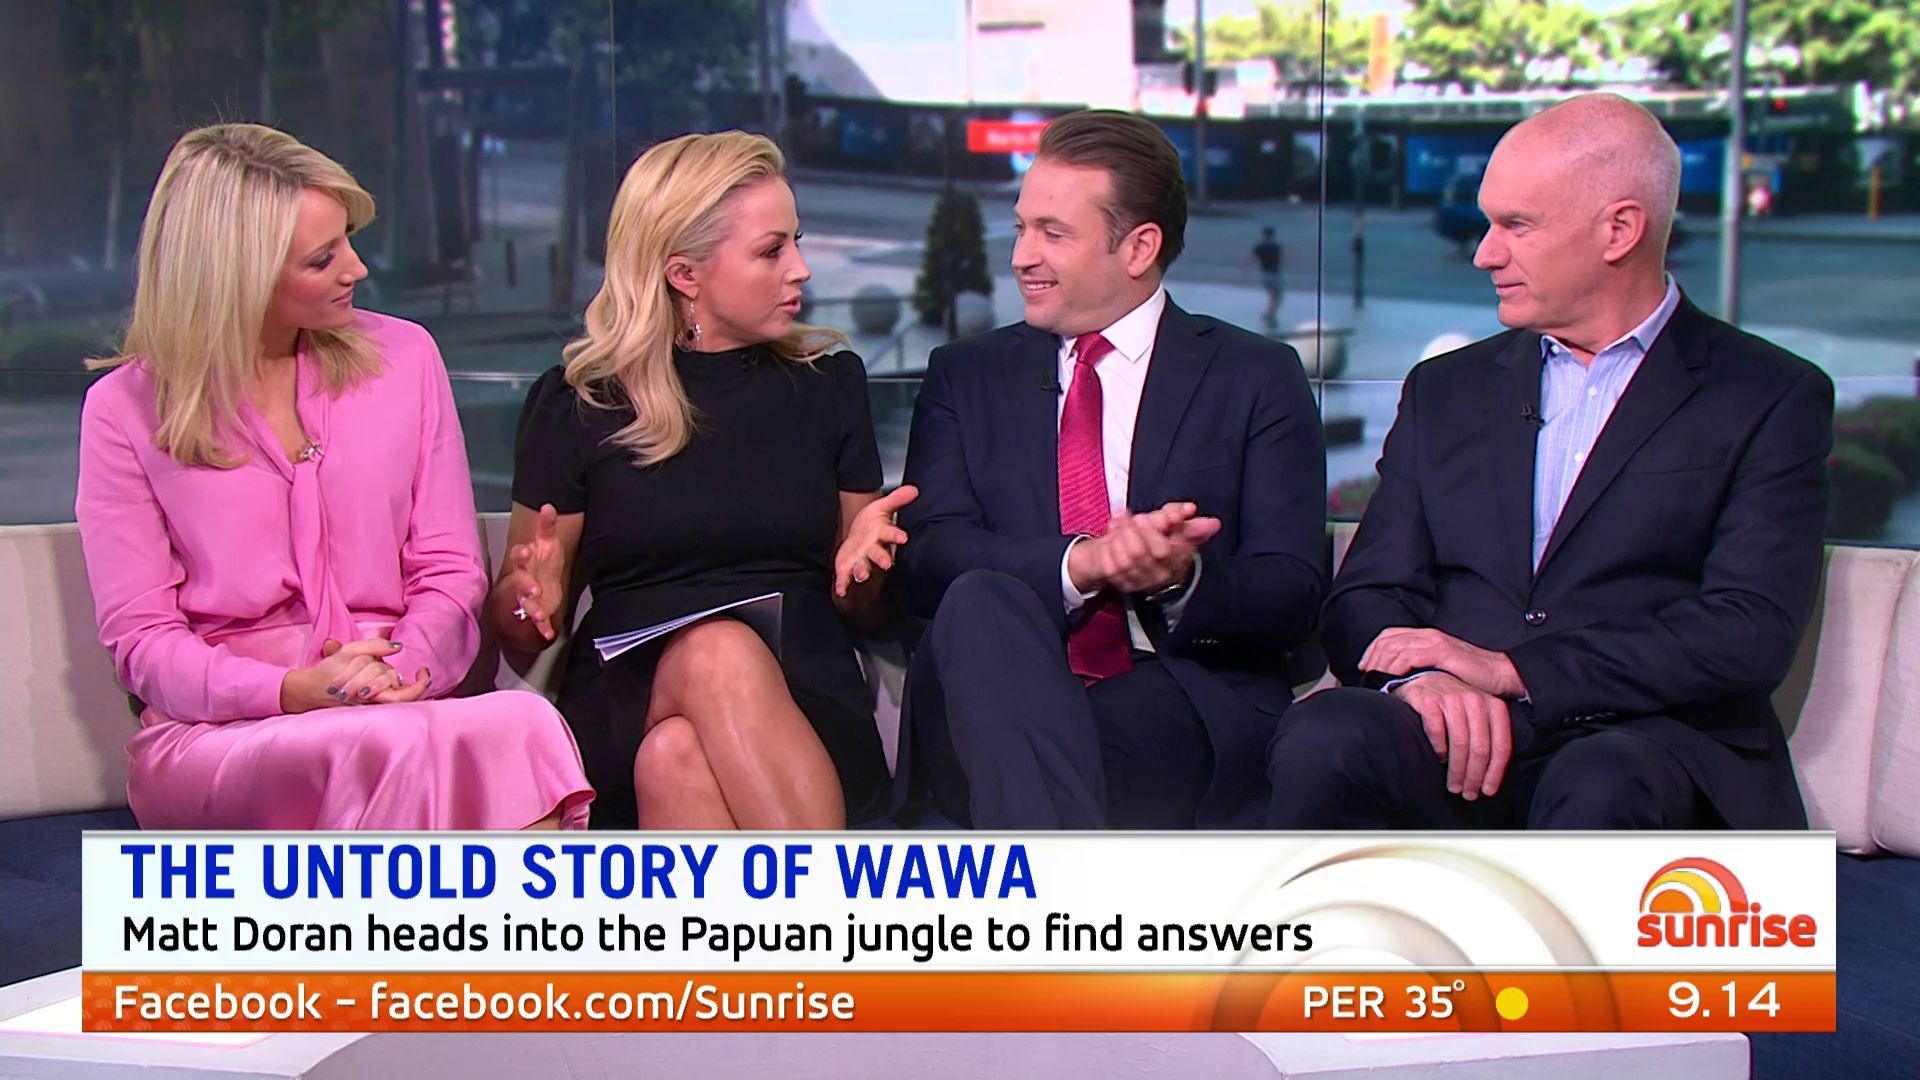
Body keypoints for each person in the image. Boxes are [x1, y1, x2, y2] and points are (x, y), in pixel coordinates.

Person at [1265, 93, 1832, 831]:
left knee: (1602, 781)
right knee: (1329, 733)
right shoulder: (1446, 389)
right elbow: (1366, 595)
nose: (1485, 253)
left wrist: (1515, 671)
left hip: (1644, 742)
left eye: (1517, 226)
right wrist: (1423, 679)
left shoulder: (1767, 394)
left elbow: (1746, 629)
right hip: (1455, 733)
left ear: (1619, 230)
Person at [75, 123, 592, 830]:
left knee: (520, 724)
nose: (357, 269)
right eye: (323, 259)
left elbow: (449, 573)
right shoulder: (125, 410)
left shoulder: (405, 358)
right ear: (238, 275)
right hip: (224, 734)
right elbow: (144, 643)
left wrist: (401, 670)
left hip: (401, 702)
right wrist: (291, 690)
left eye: (348, 239)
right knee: (385, 747)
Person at [895, 110, 1328, 830]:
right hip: (988, 685)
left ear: (1139, 247)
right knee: (979, 598)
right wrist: (1082, 564)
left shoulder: (1255, 377)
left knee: (1112, 731)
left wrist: (1178, 577)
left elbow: (1293, 590)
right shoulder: (965, 375)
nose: (1022, 257)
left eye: (1053, 233)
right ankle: (1069, 886)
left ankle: (1046, 881)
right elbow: (928, 557)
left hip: (1174, 692)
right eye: (1021, 227)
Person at [496, 131, 899, 830]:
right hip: (628, 694)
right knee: (716, 653)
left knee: (677, 757)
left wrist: (866, 573)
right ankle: (833, 892)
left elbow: (864, 609)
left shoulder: (828, 386)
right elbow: (521, 630)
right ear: (685, 274)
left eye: (796, 243)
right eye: (772, 251)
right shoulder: (580, 404)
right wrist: (529, 602)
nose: (801, 269)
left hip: (802, 694)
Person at [1245, 225, 1283, 328]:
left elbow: (1252, 259)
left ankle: (1268, 315)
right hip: (1274, 274)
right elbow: (1282, 259)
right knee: (1276, 297)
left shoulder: (1260, 246)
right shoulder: (1276, 247)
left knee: (1273, 296)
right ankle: (1270, 316)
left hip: (1265, 274)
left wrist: (1245, 273)